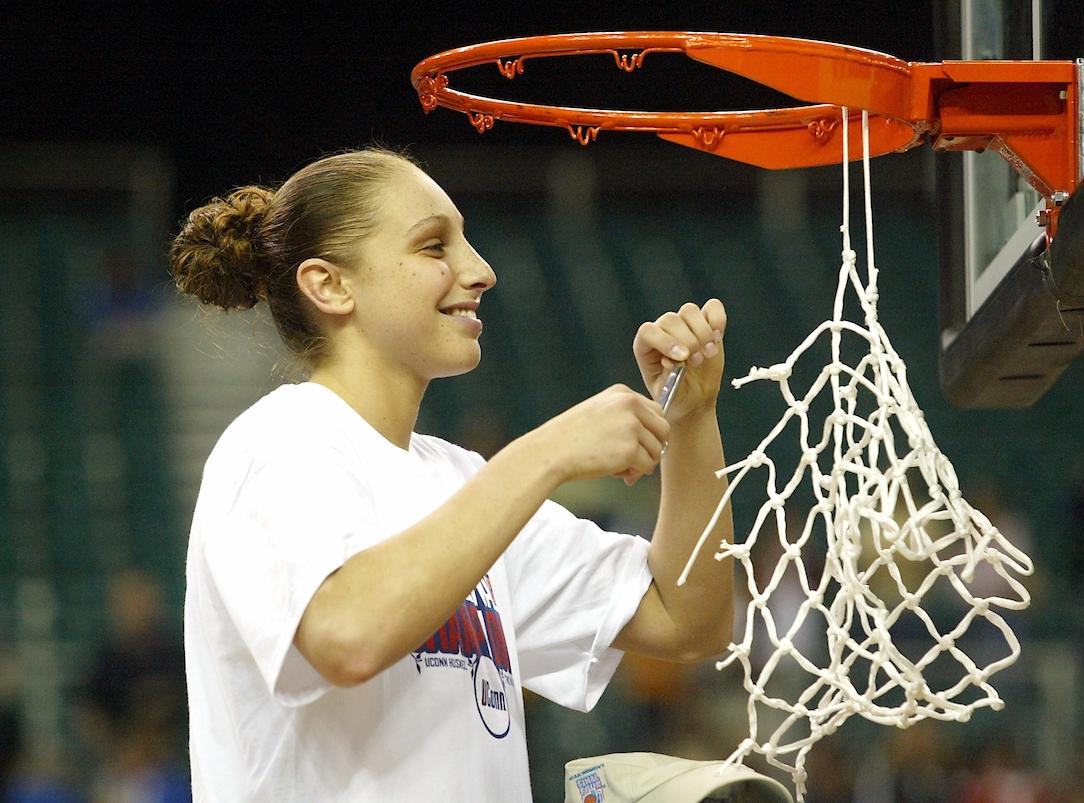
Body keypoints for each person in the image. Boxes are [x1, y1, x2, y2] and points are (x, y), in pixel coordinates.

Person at [169, 147, 734, 801]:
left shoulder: (461, 481)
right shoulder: (275, 445)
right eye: (435, 244)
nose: (481, 269)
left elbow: (685, 618)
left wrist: (692, 420)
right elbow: (345, 635)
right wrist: (543, 454)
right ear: (330, 284)